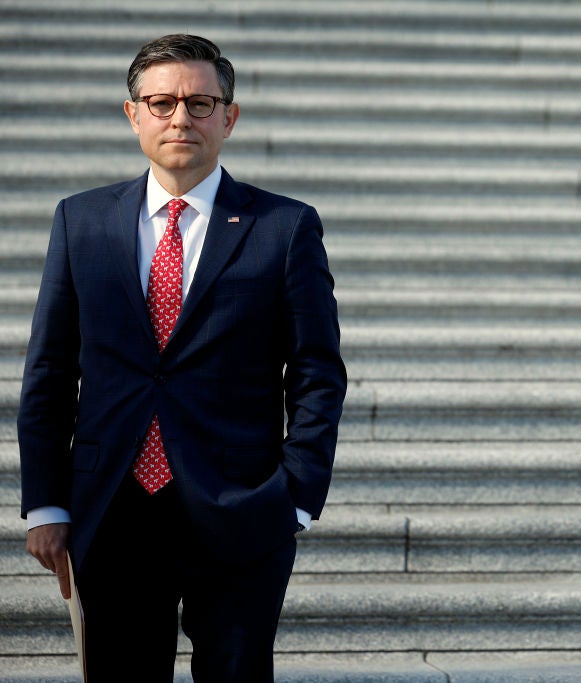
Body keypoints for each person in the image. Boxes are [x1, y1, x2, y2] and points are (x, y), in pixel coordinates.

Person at [18, 34, 347, 681]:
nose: (180, 118)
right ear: (133, 113)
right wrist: (47, 503)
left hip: (242, 506)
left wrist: (296, 495)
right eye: (162, 102)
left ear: (230, 116)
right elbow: (51, 370)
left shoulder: (284, 228)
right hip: (112, 505)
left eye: (200, 103)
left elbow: (317, 371)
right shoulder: (80, 221)